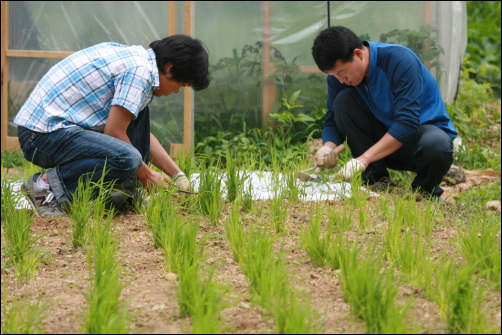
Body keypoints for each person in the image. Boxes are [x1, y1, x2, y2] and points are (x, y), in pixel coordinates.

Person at [14, 34, 210, 216]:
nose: (177, 92)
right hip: (41, 136)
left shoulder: (137, 62)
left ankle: (125, 193)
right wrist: (147, 175)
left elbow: (138, 134)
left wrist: (178, 175)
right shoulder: (139, 72)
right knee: (128, 158)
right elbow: (115, 133)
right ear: (169, 68)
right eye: (182, 85)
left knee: (138, 118)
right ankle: (43, 186)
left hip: (53, 130)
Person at [311, 26, 457, 201]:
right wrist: (329, 148)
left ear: (358, 54)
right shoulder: (339, 78)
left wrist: (363, 159)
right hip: (382, 144)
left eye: (341, 72)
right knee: (343, 101)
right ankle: (376, 179)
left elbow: (407, 123)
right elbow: (332, 120)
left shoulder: (399, 60)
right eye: (333, 75)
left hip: (419, 141)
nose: (340, 80)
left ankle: (425, 192)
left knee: (437, 144)